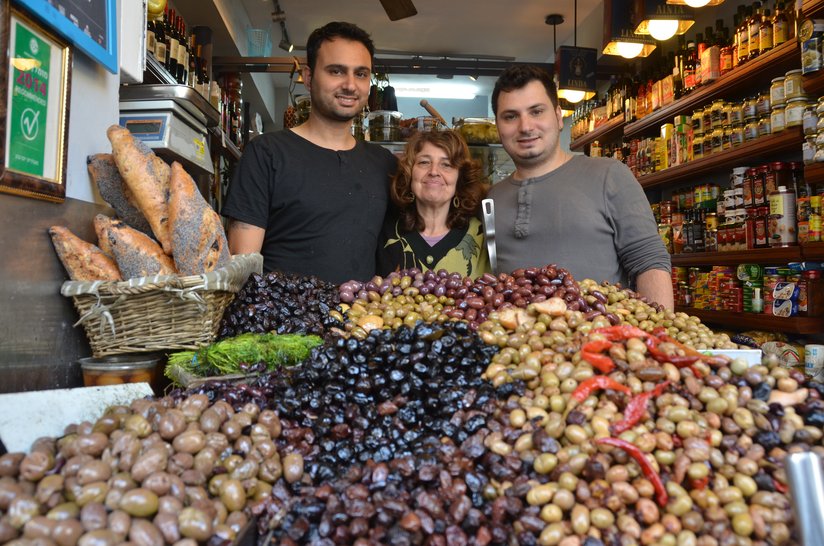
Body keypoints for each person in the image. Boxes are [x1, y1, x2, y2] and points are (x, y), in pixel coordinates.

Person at [221, 22, 397, 285]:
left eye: (361, 74)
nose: (350, 85)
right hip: (283, 323)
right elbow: (242, 265)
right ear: (308, 76)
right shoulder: (267, 153)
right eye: (336, 71)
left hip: (360, 321)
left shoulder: (384, 163)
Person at [489, 64, 674, 309]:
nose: (525, 126)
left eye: (536, 111)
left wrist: (658, 338)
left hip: (602, 343)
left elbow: (649, 262)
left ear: (557, 117)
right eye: (511, 116)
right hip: (512, 345)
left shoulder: (609, 174)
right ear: (498, 127)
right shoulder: (491, 198)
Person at [377, 130, 490, 279]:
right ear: (409, 172)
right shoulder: (385, 231)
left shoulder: (483, 234)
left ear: (460, 177)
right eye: (424, 162)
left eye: (446, 164)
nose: (434, 171)